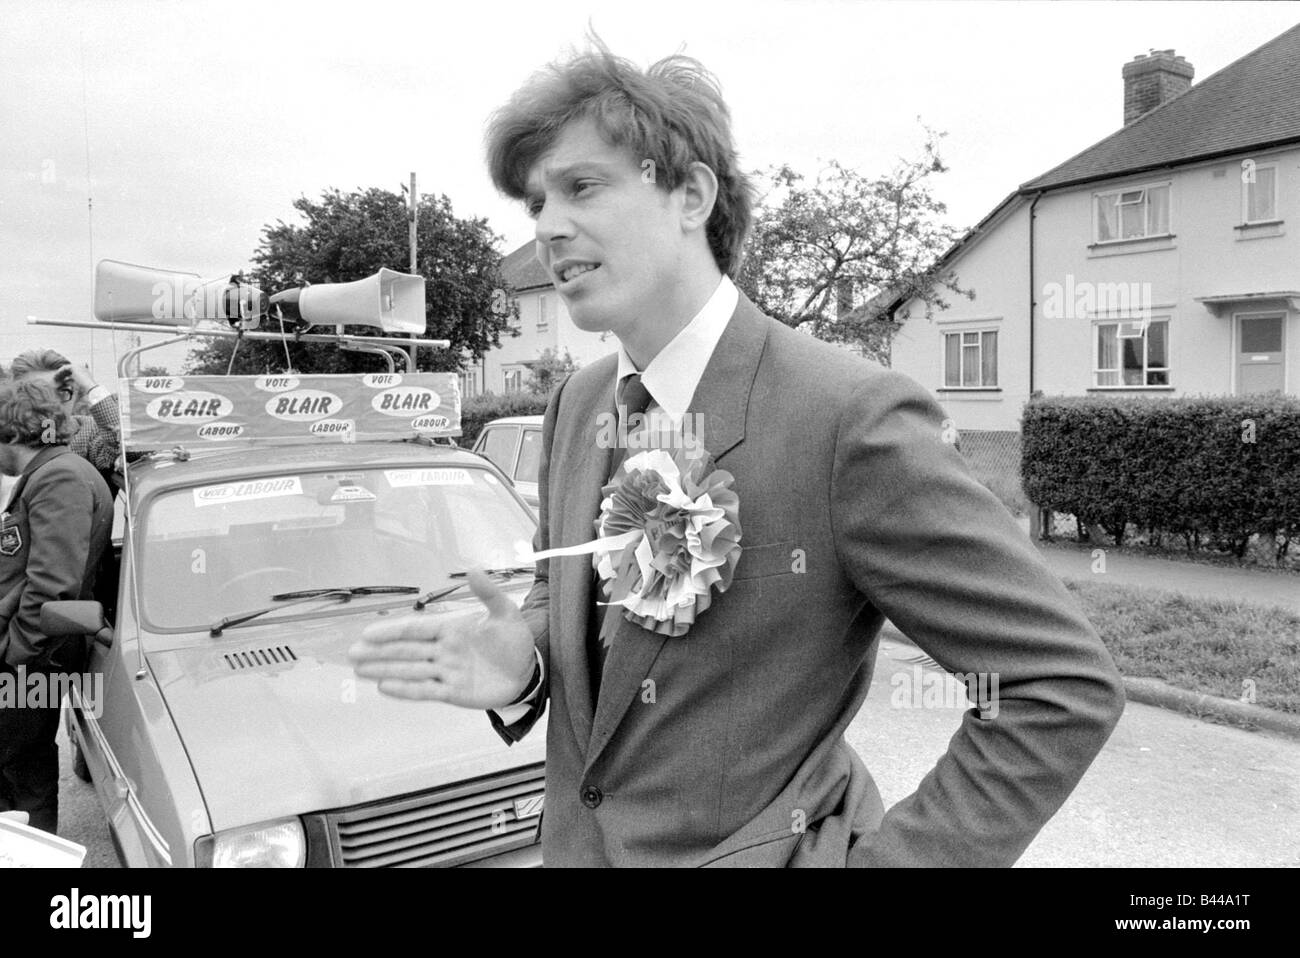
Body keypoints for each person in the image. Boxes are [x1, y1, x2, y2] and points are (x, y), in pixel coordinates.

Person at [350, 43, 1126, 866]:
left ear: (690, 194)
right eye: (536, 201)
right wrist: (524, 662)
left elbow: (1056, 686)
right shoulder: (577, 405)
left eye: (581, 186)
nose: (545, 227)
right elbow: (560, 596)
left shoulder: (848, 417)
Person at [0, 379, 114, 834]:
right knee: (16, 768)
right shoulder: (53, 471)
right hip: (36, 653)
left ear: (10, 433)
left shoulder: (59, 477)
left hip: (34, 657)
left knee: (20, 774)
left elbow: (53, 587)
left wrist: (15, 655)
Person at [8, 349, 122, 495]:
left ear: (76, 395)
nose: (51, 404)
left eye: (61, 392)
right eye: (37, 394)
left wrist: (91, 386)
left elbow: (126, 449)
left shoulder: (88, 433)